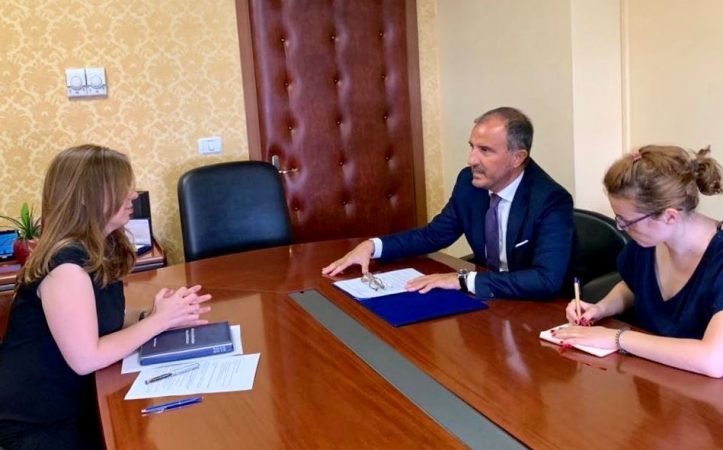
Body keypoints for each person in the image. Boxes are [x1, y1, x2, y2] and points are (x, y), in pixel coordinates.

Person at [0, 145, 212, 449]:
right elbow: (87, 358)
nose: (133, 195)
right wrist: (159, 322)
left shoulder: (99, 247)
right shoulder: (66, 268)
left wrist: (156, 314)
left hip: (77, 403)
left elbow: (102, 317)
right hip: (38, 423)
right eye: (122, 187)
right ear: (87, 196)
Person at [323, 107, 574, 300]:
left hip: (539, 310)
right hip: (489, 302)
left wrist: (462, 280)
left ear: (517, 157)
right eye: (472, 147)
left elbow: (545, 280)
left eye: (485, 150)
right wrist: (372, 246)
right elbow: (435, 234)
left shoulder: (551, 201)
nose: (471, 159)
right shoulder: (469, 183)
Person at [554, 145, 723, 377]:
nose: (621, 228)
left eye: (627, 221)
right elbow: (634, 286)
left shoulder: (718, 258)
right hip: (655, 377)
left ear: (669, 216)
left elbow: (713, 360)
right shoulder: (648, 241)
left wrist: (617, 338)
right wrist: (601, 308)